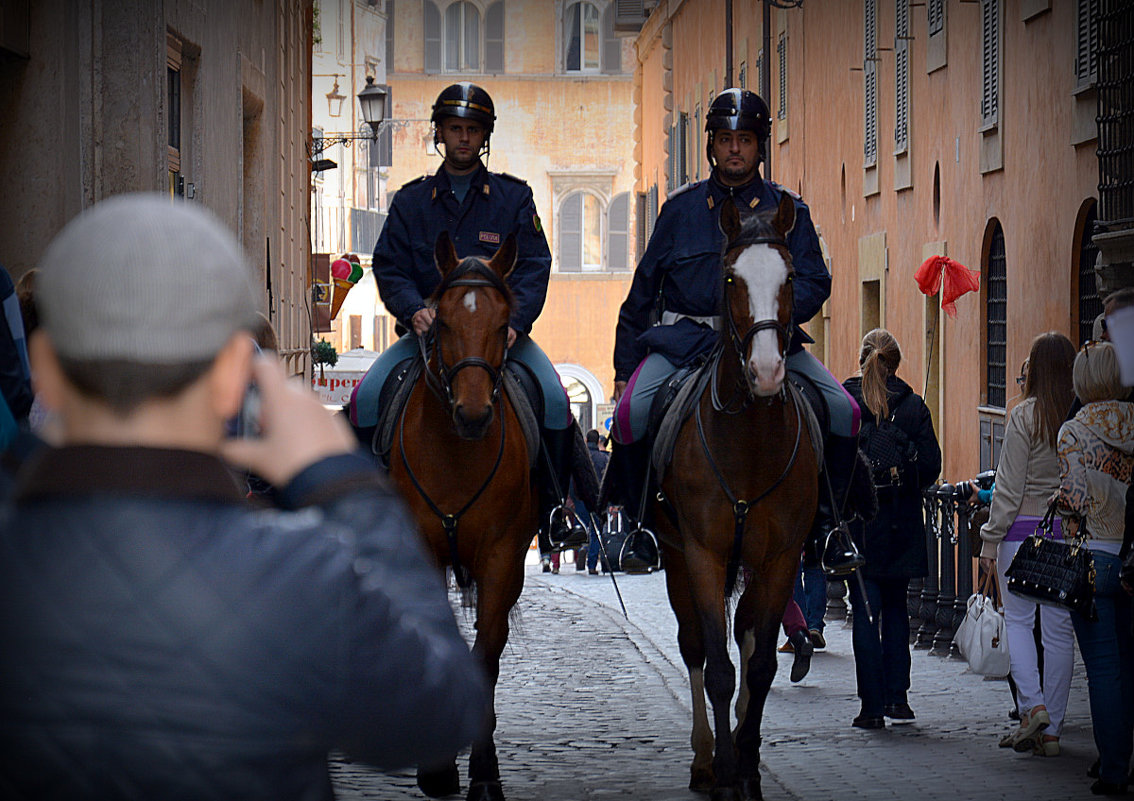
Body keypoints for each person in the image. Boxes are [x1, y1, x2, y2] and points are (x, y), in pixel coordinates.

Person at [0, 194, 488, 800]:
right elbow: (441, 712)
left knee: (539, 395)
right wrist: (344, 481)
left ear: (41, 368)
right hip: (415, 333)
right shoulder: (304, 573)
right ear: (237, 375)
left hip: (487, 335)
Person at [609, 87, 860, 573]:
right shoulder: (679, 212)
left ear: (759, 146)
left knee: (843, 410)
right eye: (725, 139)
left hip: (766, 338)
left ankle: (831, 527)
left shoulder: (790, 210)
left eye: (744, 140)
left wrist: (774, 318)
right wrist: (624, 366)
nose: (734, 150)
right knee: (630, 416)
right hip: (685, 341)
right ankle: (641, 528)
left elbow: (815, 280)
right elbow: (643, 290)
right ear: (711, 145)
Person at [349, 82, 586, 552]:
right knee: (365, 399)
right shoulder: (410, 201)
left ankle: (557, 510)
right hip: (430, 336)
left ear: (485, 137)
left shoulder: (513, 199)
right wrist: (413, 309)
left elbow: (535, 264)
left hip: (501, 336)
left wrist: (515, 320)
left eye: (472, 130)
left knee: (557, 402)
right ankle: (362, 509)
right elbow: (391, 265)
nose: (463, 138)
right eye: (455, 128)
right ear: (440, 133)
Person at [978, 332, 1076, 756]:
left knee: (1018, 623)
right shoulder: (1078, 417)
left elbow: (1008, 488)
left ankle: (1031, 706)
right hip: (1064, 537)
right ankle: (1052, 730)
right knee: (1058, 634)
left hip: (1018, 537)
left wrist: (988, 540)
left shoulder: (1024, 416)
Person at [842, 329, 940, 729]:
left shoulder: (846, 402)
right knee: (898, 608)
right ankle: (898, 698)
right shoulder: (914, 405)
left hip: (860, 522)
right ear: (895, 363)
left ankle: (871, 707)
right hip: (901, 521)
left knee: (866, 612)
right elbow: (932, 465)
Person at [1054, 340, 1134, 796]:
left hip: (1094, 556)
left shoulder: (1075, 431)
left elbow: (1076, 499)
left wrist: (1057, 501)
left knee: (1102, 669)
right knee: (1126, 663)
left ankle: (1114, 768)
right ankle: (1120, 754)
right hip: (1130, 555)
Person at [584, 428, 611, 574]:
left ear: (587, 441)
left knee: (585, 529)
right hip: (599, 500)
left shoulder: (582, 457)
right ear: (598, 441)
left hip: (582, 499)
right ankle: (594, 563)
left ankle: (587, 553)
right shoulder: (603, 458)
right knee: (597, 531)